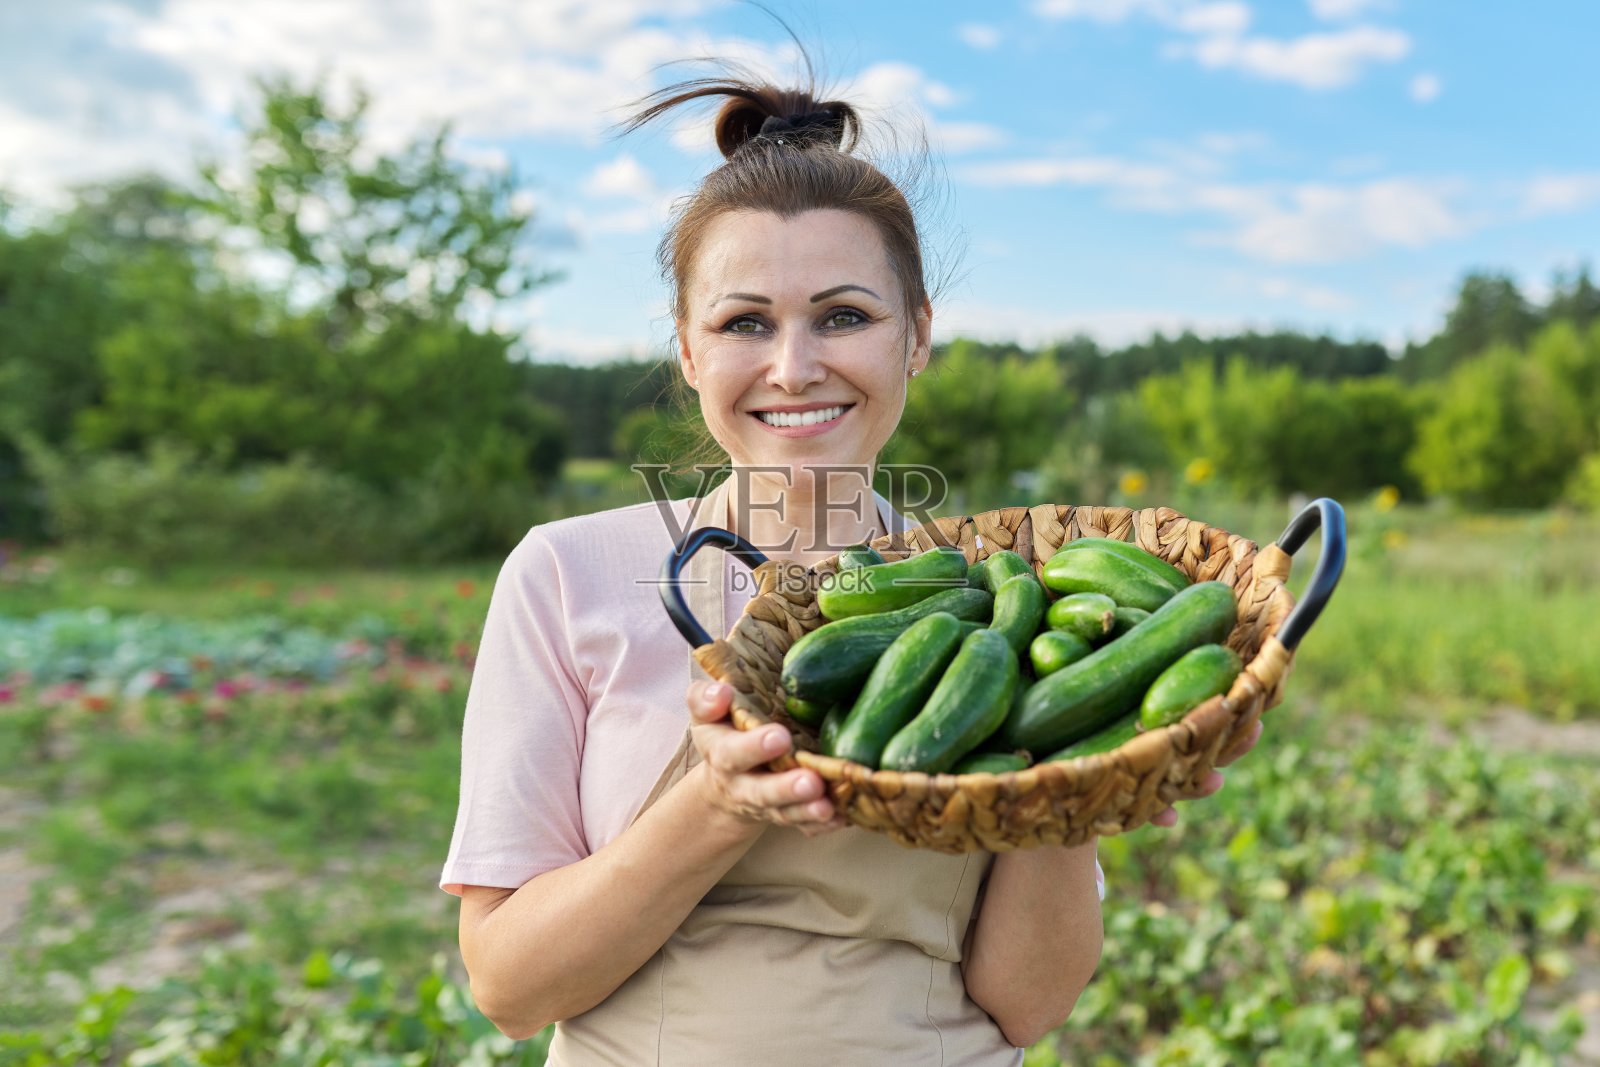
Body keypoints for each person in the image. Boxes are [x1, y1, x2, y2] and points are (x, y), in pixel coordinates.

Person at [440, 69, 1257, 1065]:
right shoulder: (568, 575)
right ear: (689, 353)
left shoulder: (999, 592)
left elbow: (1025, 1003)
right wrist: (717, 801)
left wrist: (1069, 788)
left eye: (843, 316)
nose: (793, 367)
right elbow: (512, 988)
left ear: (915, 336)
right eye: (745, 322)